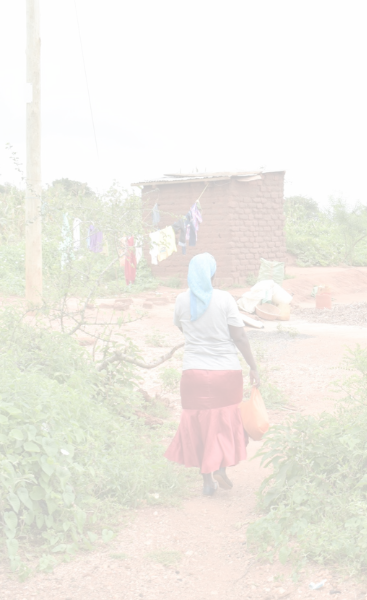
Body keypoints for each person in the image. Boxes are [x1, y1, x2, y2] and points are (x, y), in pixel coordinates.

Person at [164, 253, 260, 496]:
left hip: (193, 375)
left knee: (199, 424)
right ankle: (222, 467)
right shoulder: (225, 299)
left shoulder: (181, 300)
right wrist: (254, 366)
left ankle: (207, 480)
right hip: (225, 373)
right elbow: (239, 336)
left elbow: (182, 328)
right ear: (213, 275)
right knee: (225, 422)